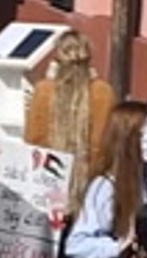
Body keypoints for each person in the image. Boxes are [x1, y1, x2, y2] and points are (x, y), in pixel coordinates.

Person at [63, 102, 147, 258]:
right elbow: (77, 245)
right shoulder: (105, 187)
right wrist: (119, 247)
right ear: (130, 140)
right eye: (146, 135)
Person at [24, 33, 116, 171]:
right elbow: (106, 142)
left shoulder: (43, 90)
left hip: (48, 171)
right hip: (92, 172)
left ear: (57, 60)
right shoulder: (104, 92)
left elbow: (33, 138)